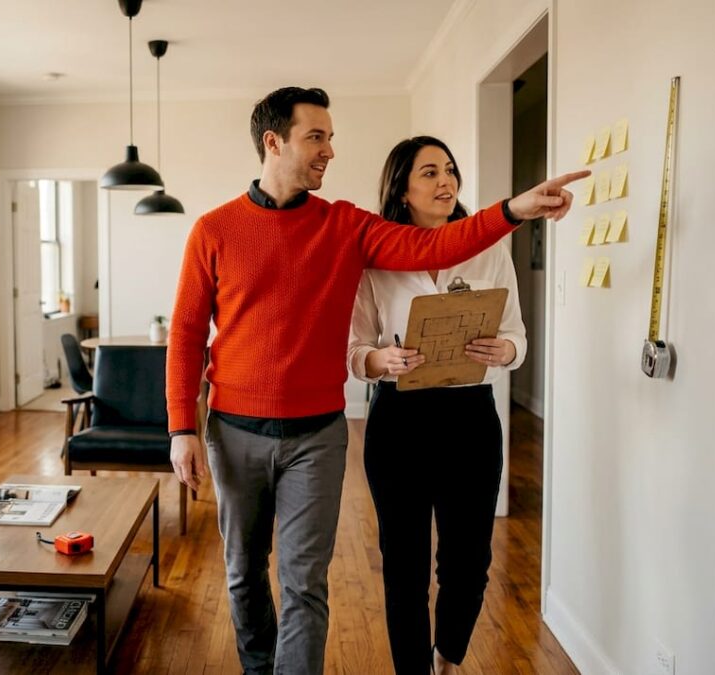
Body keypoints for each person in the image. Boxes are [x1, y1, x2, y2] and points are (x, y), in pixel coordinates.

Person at [167, 87, 584, 675]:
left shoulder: (346, 226)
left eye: (331, 137)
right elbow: (186, 334)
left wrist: (514, 210)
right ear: (274, 142)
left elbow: (437, 242)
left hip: (318, 434)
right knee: (242, 575)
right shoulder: (213, 230)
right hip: (234, 431)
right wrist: (181, 427)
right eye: (317, 137)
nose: (330, 150)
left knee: (305, 583)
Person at [347, 135, 527, 675]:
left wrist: (505, 350)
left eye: (449, 170)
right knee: (404, 567)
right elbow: (354, 349)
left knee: (469, 563)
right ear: (402, 189)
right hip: (398, 420)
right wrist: (382, 360)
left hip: (471, 419)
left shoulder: (489, 249)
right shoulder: (375, 259)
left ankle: (447, 660)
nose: (445, 181)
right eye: (429, 172)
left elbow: (517, 335)